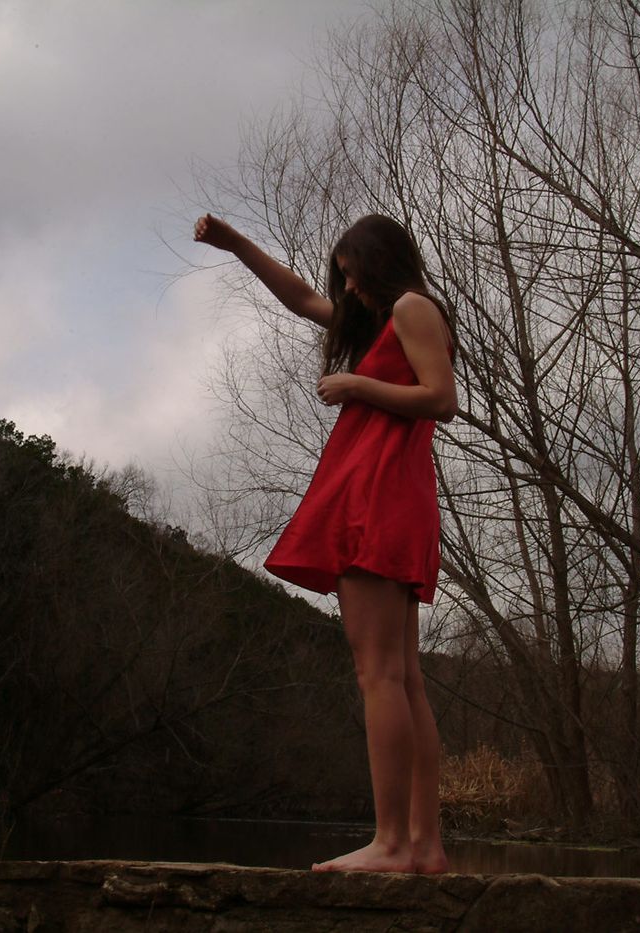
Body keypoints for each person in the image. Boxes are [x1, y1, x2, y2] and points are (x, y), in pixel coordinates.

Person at [194, 212, 456, 874]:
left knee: (380, 676)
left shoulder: (413, 308)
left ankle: (391, 843)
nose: (349, 287)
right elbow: (302, 298)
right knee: (403, 678)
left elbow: (441, 398)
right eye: (343, 276)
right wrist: (235, 244)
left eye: (354, 272)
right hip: (390, 499)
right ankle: (423, 846)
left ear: (381, 261)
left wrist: (355, 385)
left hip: (379, 501)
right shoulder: (380, 321)